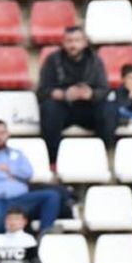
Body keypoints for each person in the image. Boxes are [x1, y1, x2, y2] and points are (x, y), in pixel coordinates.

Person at [38, 26, 114, 165]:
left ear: (84, 42)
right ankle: (53, 159)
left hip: (88, 108)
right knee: (49, 109)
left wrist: (91, 94)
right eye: (69, 41)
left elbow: (104, 90)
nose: (73, 45)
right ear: (63, 42)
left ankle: (104, 153)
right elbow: (42, 91)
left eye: (77, 40)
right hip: (63, 107)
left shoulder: (95, 61)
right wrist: (63, 94)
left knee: (108, 109)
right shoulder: (52, 60)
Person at [0, 120, 61, 235]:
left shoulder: (17, 153)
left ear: (8, 134)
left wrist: (6, 169)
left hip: (18, 199)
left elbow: (28, 173)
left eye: (2, 133)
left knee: (51, 196)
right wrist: (8, 175)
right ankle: (16, 241)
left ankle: (44, 236)